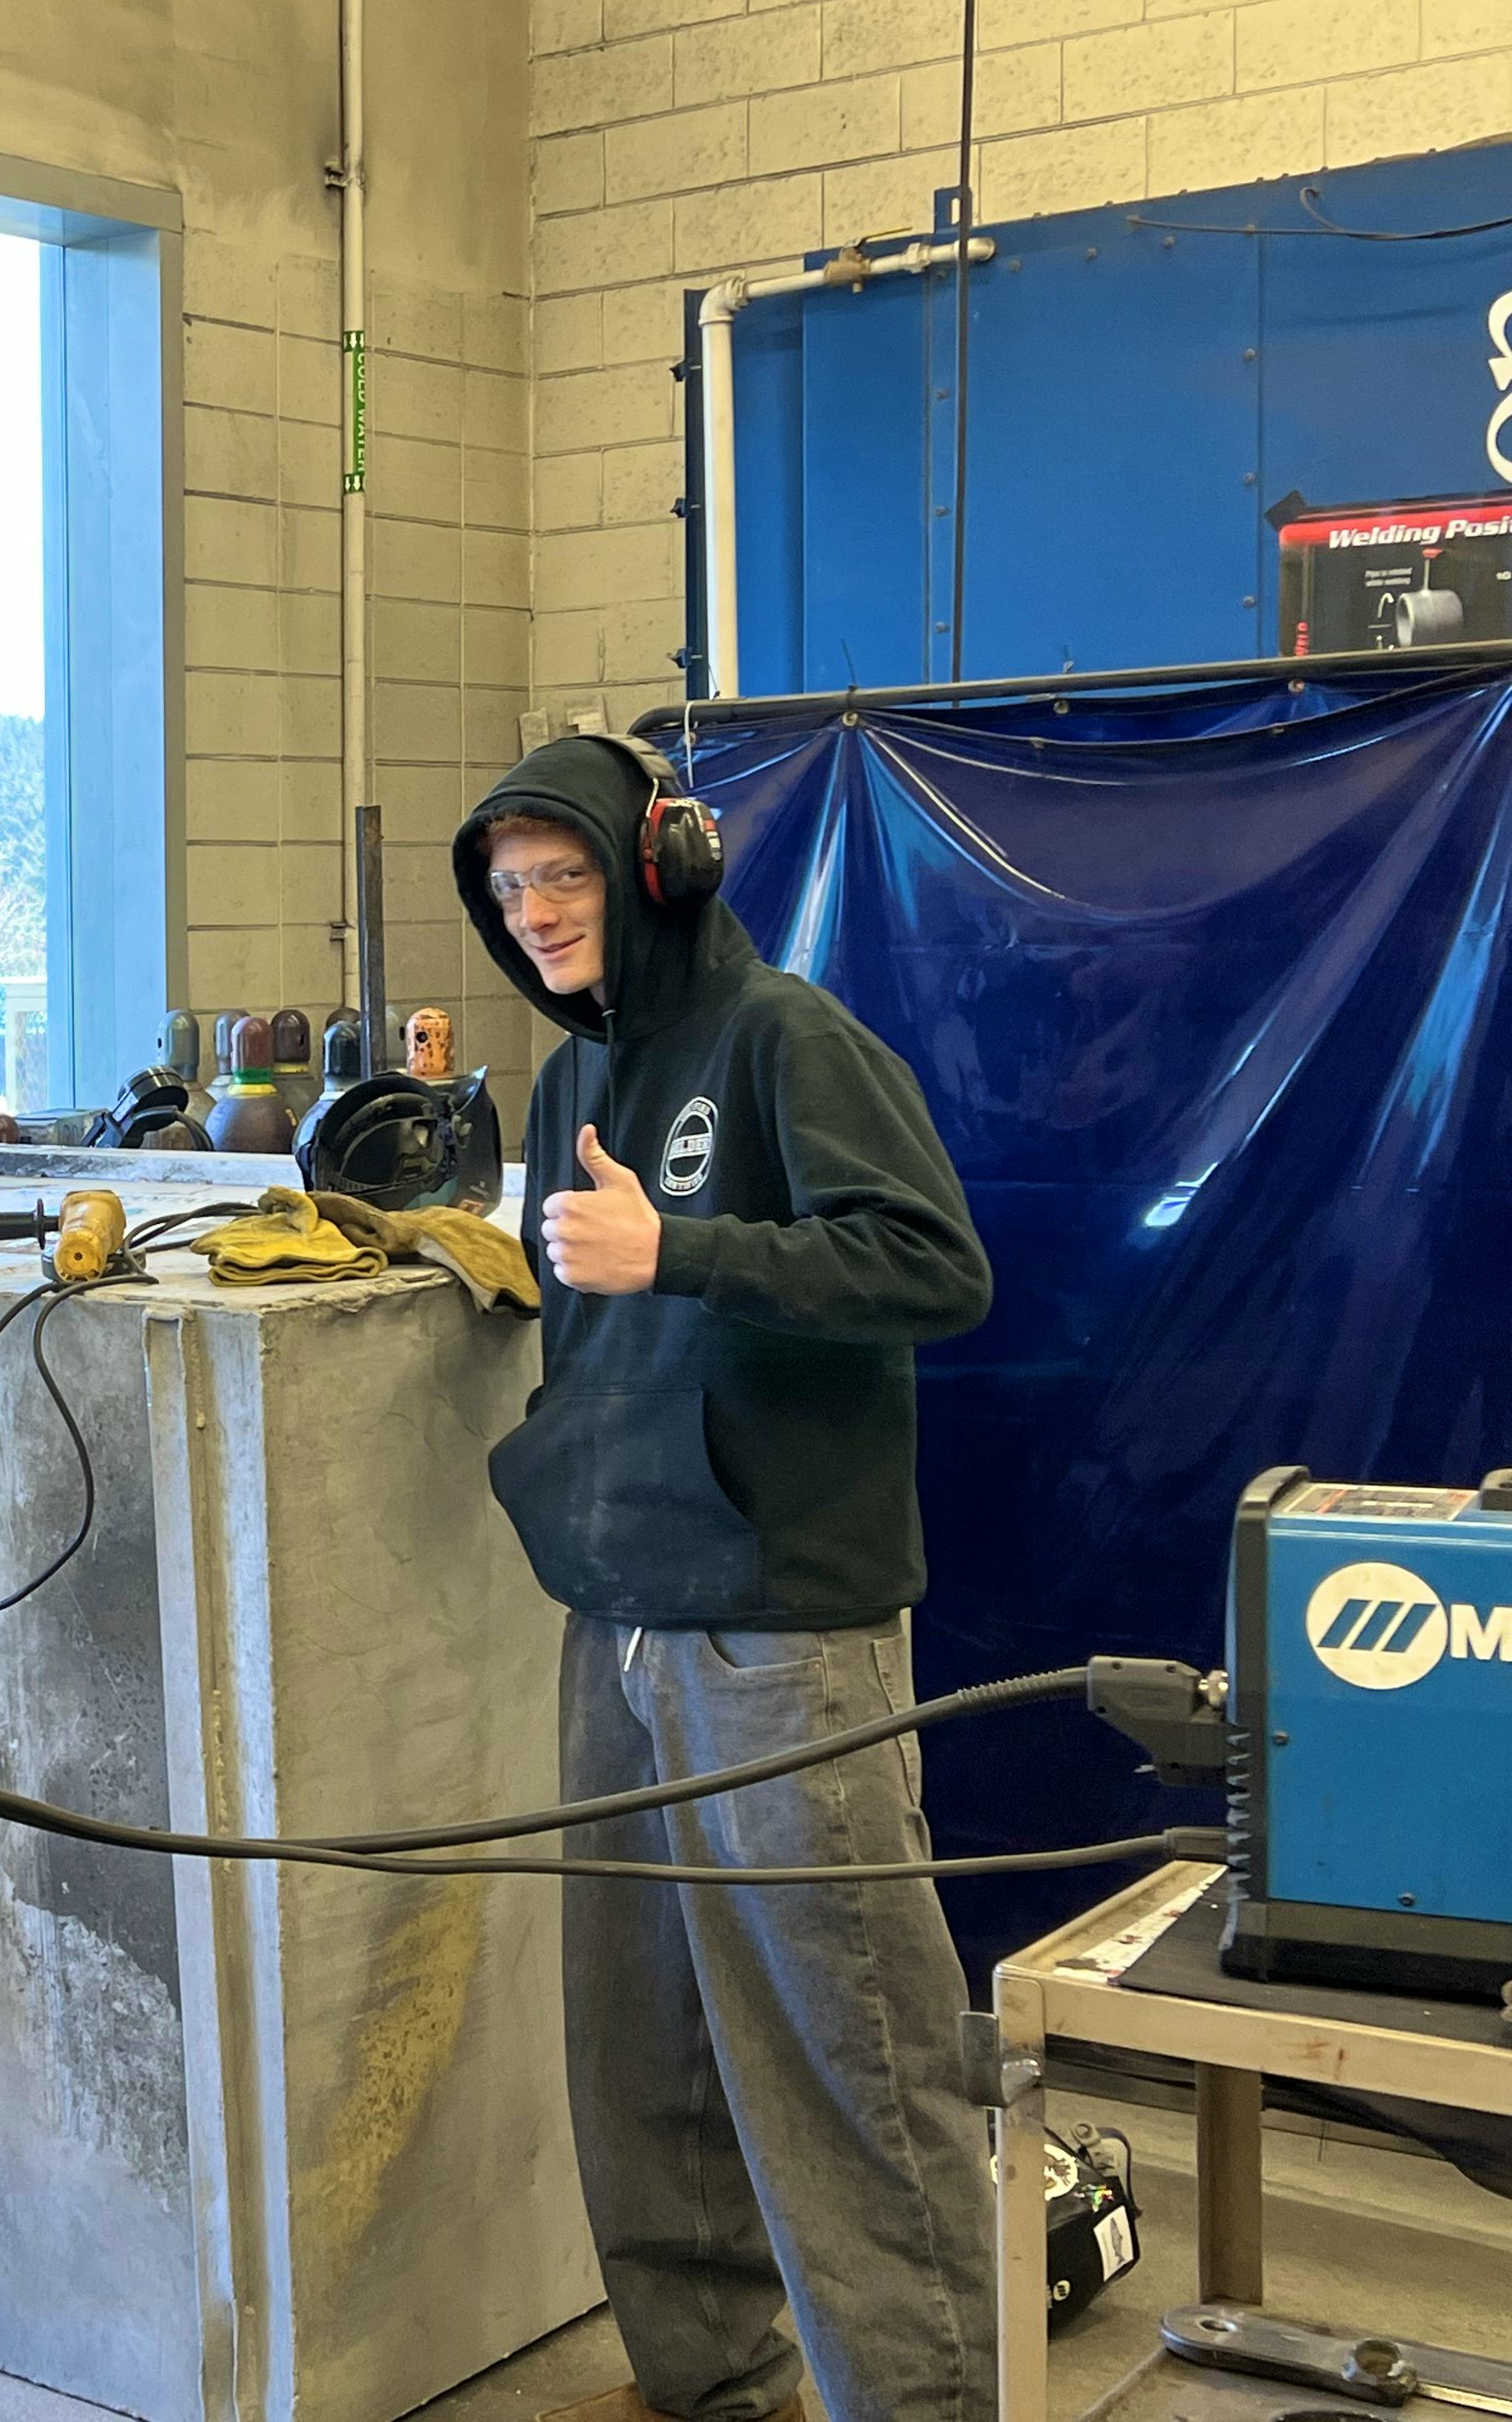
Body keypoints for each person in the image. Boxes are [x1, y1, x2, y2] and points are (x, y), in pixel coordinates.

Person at [450, 734, 999, 2422]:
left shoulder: (786, 1042)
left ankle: (925, 2404)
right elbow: (598, 1314)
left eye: (563, 875)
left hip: (777, 1622)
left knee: (852, 2055)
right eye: (508, 888)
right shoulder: (572, 1080)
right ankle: (718, 2381)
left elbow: (934, 1266)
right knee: (646, 2046)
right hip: (619, 1606)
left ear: (654, 868)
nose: (535, 913)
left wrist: (673, 1246)